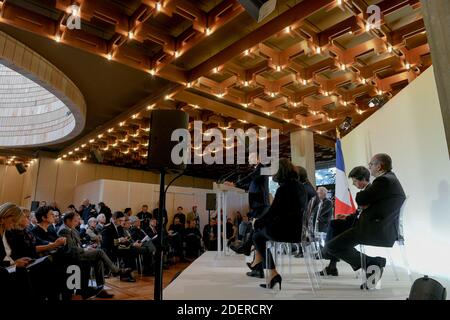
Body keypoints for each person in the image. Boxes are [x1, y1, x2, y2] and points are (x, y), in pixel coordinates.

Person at [322, 154, 406, 288]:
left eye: (371, 164)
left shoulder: (383, 181)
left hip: (374, 229)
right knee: (335, 225)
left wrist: (362, 199)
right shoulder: (389, 179)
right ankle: (332, 261)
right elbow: (366, 204)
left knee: (332, 246)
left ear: (379, 166)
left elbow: (361, 199)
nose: (369, 167)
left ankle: (373, 263)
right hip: (375, 226)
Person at [248, 158, 307, 288]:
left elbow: (273, 213)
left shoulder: (284, 189)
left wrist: (257, 223)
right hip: (297, 230)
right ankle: (268, 271)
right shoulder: (300, 187)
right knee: (258, 234)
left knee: (257, 236)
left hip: (287, 232)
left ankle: (272, 272)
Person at [58, 212, 132, 298]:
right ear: (68, 220)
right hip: (71, 256)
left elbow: (79, 245)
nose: (78, 222)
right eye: (75, 221)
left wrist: (87, 247)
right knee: (99, 252)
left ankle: (100, 289)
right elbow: (71, 250)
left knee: (99, 259)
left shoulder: (73, 229)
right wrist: (86, 249)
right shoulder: (64, 230)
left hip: (80, 252)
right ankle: (116, 271)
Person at [319, 166, 370, 276]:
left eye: (355, 181)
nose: (353, 184)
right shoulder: (367, 191)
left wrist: (349, 217)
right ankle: (331, 262)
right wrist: (347, 216)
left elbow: (363, 214)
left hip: (363, 226)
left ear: (363, 179)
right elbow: (360, 212)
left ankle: (327, 253)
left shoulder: (367, 192)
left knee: (334, 226)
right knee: (335, 224)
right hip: (358, 221)